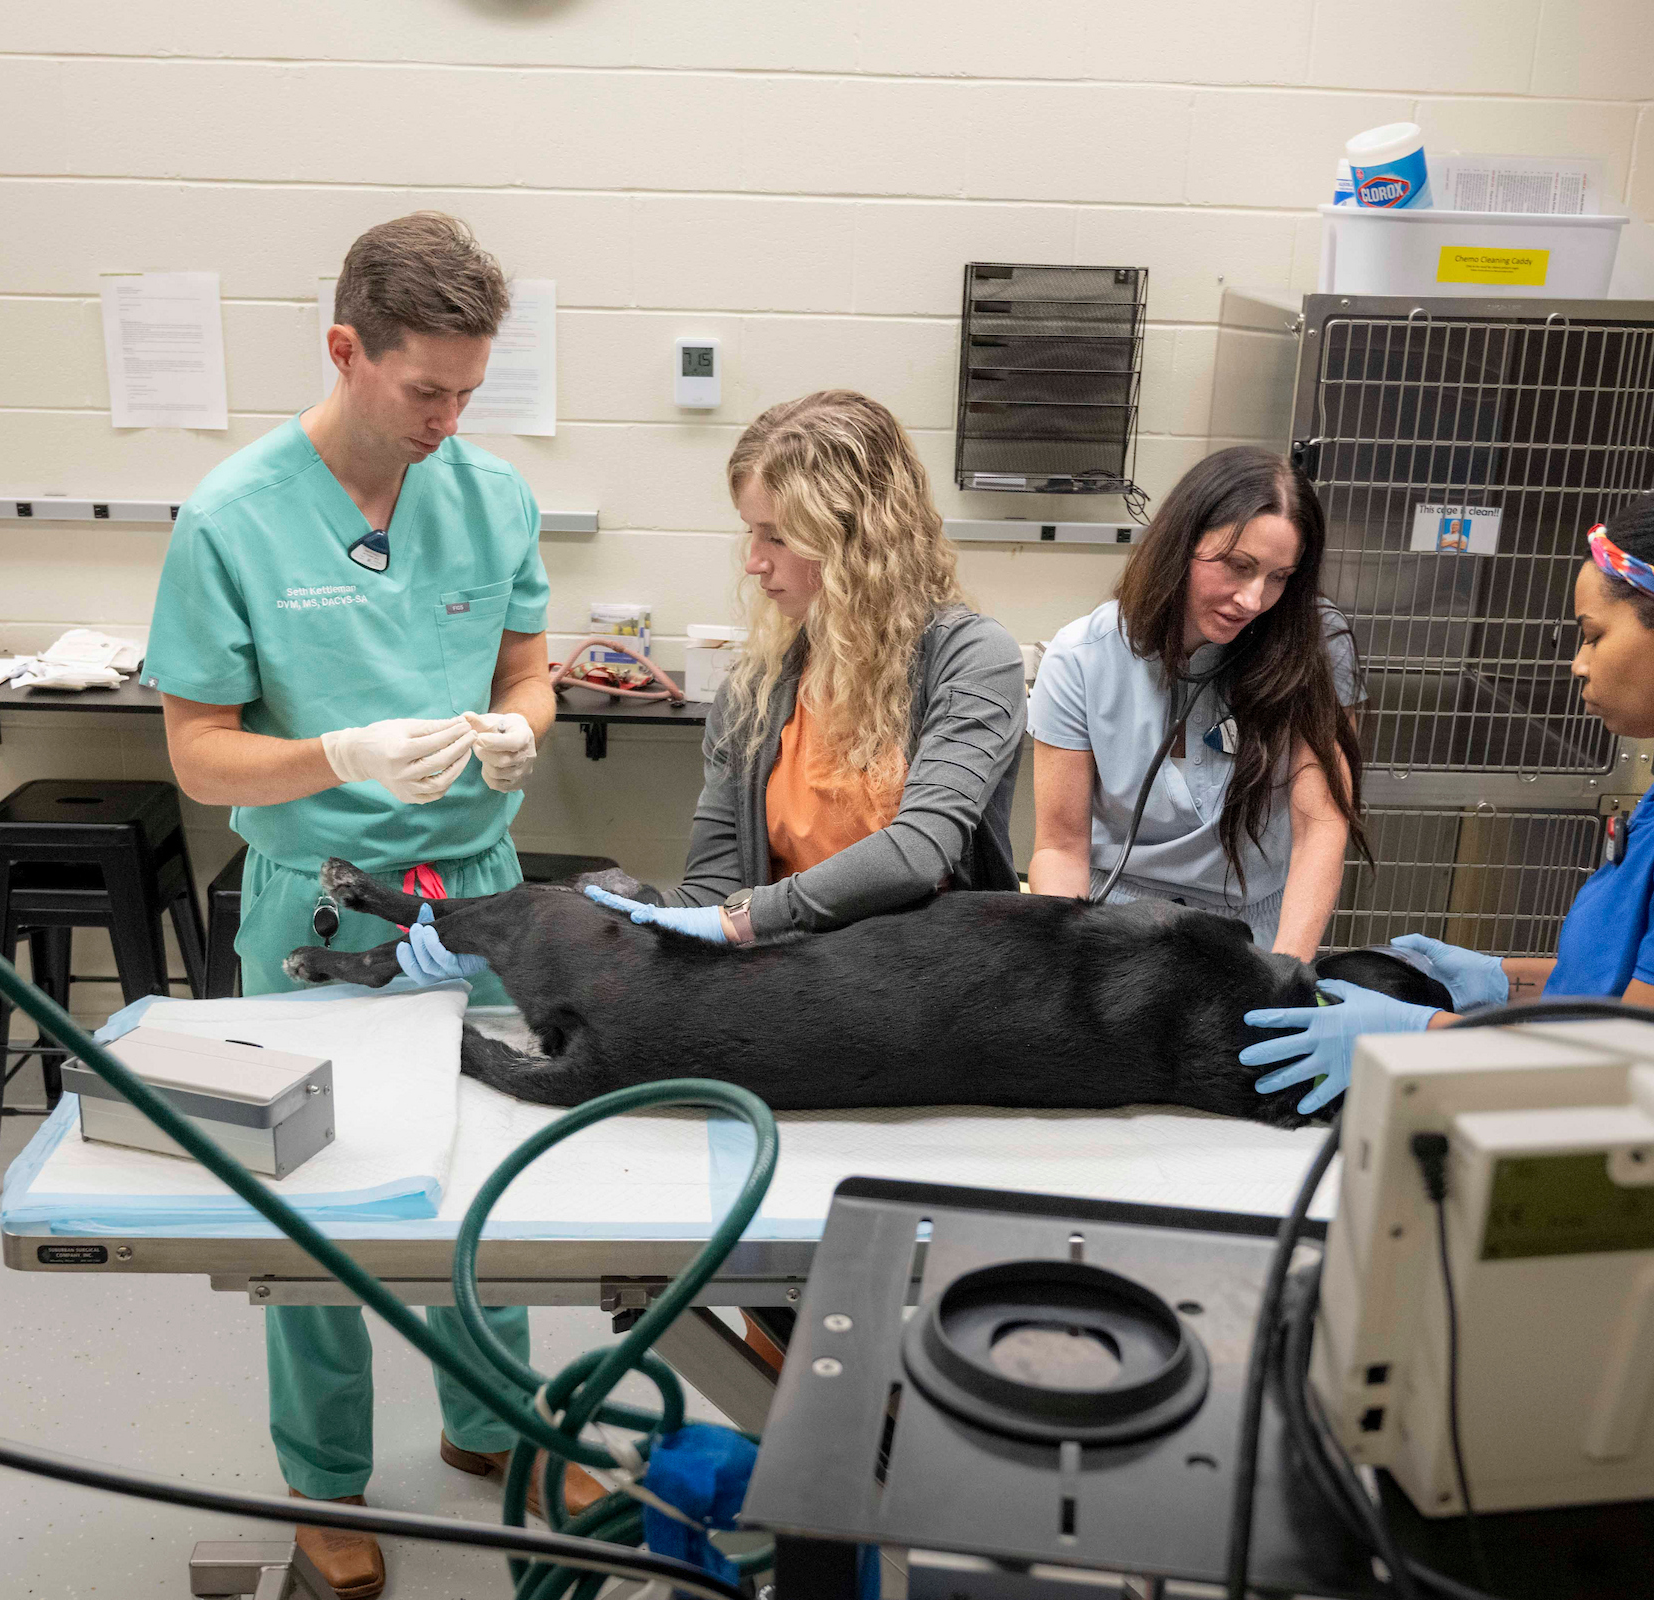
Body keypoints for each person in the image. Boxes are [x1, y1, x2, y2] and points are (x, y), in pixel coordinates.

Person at [141, 212, 592, 1598]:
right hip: (314, 904)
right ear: (348, 350)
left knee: (487, 1180)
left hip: (477, 890)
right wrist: (332, 755)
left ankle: (493, 1430)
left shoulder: (491, 496)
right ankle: (326, 1480)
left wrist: (523, 725)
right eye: (425, 392)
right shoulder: (232, 517)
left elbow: (531, 669)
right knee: (316, 1203)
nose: (451, 421)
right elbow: (198, 750)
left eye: (471, 391)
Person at [1244, 449, 1654, 1114]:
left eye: (1594, 636)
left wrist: (1414, 1033)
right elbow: (1644, 989)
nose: (1578, 665)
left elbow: (1637, 1064)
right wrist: (1505, 983)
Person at [582, 389, 1025, 943]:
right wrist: (595, 924)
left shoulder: (974, 659)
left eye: (779, 536)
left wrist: (745, 919)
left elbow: (918, 852)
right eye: (751, 530)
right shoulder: (756, 688)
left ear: (857, 539)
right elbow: (713, 889)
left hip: (926, 988)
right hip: (788, 982)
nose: (753, 561)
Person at [1025, 446, 1366, 960]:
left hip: (1253, 933)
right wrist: (1066, 973)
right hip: (1115, 927)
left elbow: (1321, 825)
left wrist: (1284, 975)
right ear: (1181, 544)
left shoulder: (1315, 647)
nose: (1253, 600)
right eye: (1238, 566)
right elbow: (1059, 848)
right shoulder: (1082, 658)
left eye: (1279, 577)